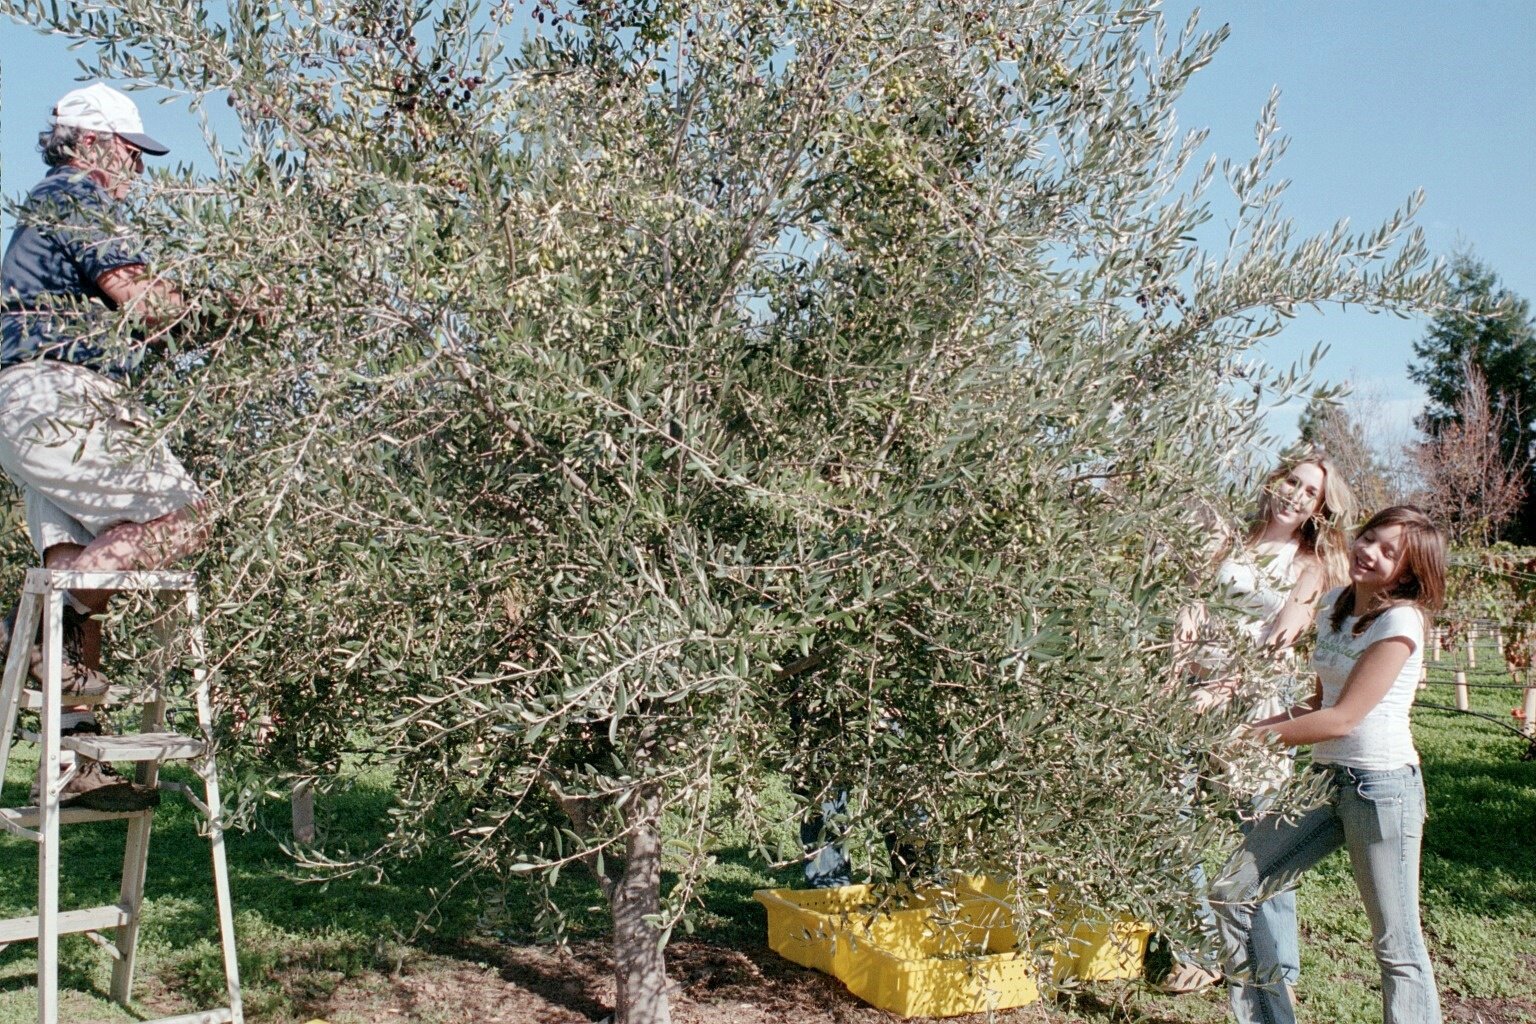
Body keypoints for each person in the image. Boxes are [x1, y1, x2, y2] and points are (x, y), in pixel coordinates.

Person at [0, 83, 207, 811]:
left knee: (80, 558)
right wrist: (231, 314)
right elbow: (143, 302)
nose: (137, 168)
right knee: (187, 518)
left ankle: (70, 761)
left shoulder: (43, 206)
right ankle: (20, 635)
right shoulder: (74, 197)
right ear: (91, 144)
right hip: (63, 397)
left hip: (27, 409)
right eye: (130, 150)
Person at [1211, 505, 1446, 1024]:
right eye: (1370, 538)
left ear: (1407, 571)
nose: (1370, 552)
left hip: (1381, 788)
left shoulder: (1400, 620)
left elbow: (1344, 718)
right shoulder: (1337, 602)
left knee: (1396, 943)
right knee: (1232, 892)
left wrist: (1251, 737)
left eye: (1390, 552)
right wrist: (1255, 724)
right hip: (1324, 780)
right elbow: (1320, 704)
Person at [1164, 452, 1354, 995]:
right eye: (1292, 481)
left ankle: (1278, 968)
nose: (1296, 495)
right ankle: (1202, 952)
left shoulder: (1309, 567)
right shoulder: (1231, 543)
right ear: (1274, 480)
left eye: (1310, 492)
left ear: (1319, 508)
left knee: (1260, 838)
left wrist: (1222, 691)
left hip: (1256, 713)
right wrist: (1176, 677)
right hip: (1190, 702)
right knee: (1173, 826)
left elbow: (1280, 641)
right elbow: (1193, 610)